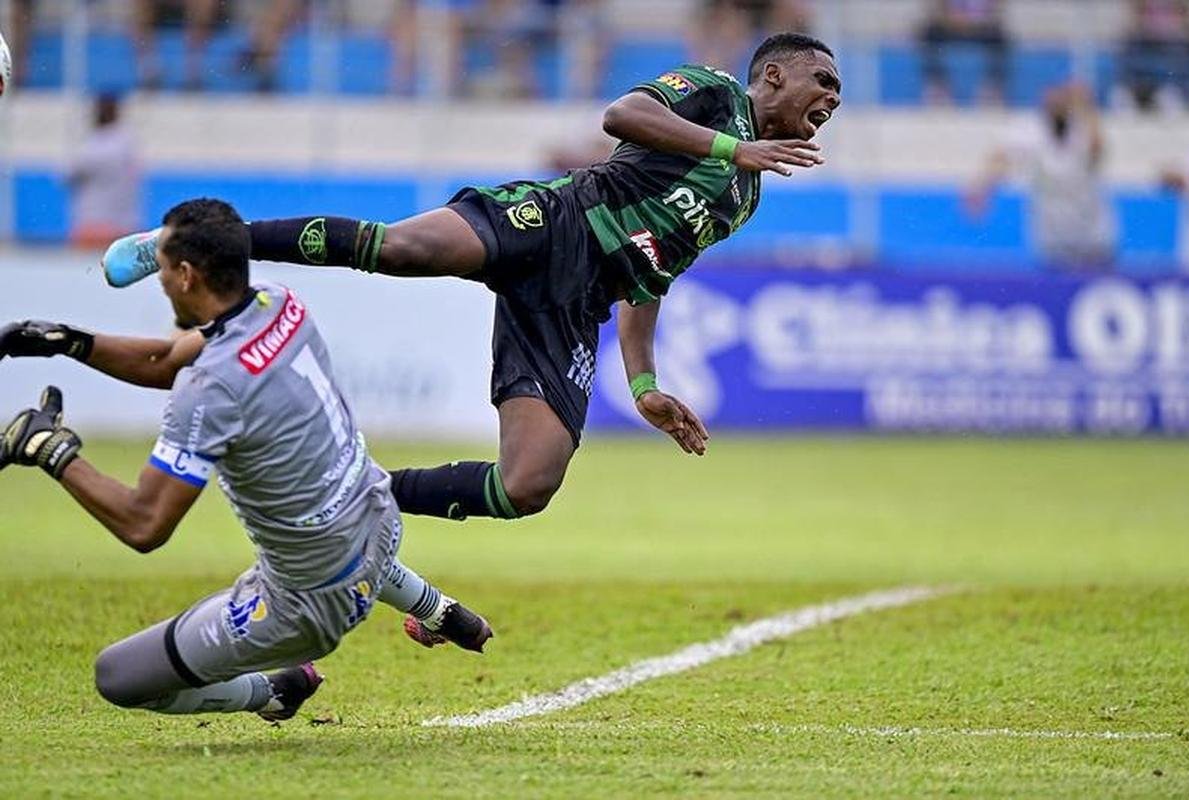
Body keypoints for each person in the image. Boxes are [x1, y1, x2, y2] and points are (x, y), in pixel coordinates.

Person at [101, 33, 840, 526]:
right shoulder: (713, 93)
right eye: (823, 83)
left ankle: (353, 496)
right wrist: (728, 147)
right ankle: (188, 237)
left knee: (528, 486)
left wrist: (645, 387)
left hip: (575, 303)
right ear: (774, 74)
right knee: (403, 249)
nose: (830, 102)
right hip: (559, 218)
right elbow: (624, 114)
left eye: (837, 99)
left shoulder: (746, 196)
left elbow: (653, 276)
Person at [0, 199, 491, 721]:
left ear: (187, 275)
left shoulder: (212, 389)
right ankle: (439, 609)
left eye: (162, 269)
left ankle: (276, 689)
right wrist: (69, 342)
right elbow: (165, 359)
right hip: (378, 523)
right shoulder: (277, 304)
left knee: (118, 677)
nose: (159, 280)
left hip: (307, 605)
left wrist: (50, 450)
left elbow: (145, 524)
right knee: (330, 519)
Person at [966, 82, 1114, 270]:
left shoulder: (1083, 131)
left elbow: (1097, 150)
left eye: (1062, 104)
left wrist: (1087, 106)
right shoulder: (1032, 134)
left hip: (1093, 233)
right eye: (1052, 104)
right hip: (1052, 236)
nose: (1056, 108)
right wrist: (981, 185)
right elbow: (1001, 157)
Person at [67, 95, 142, 249]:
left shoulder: (95, 145)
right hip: (123, 223)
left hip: (94, 220)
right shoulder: (128, 141)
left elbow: (71, 174)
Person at [919, 0, 1009, 106]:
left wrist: (978, 21)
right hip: (949, 26)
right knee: (931, 34)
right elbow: (939, 9)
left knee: (998, 36)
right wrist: (950, 20)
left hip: (980, 27)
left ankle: (993, 86)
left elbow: (995, 9)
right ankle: (938, 85)